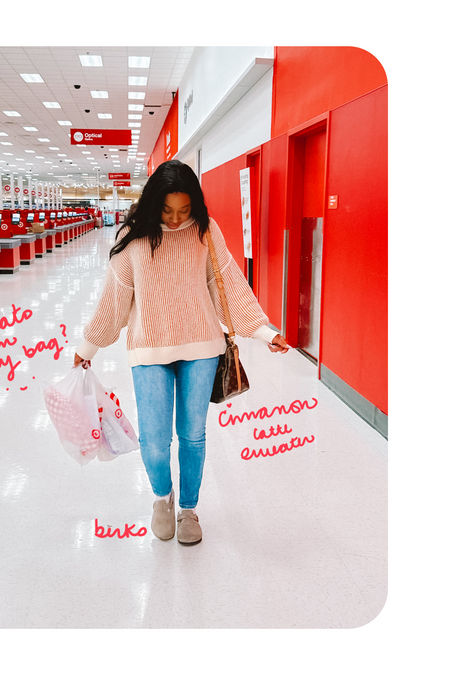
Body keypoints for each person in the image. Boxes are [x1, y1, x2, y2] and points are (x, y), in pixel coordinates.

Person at [74, 160, 288, 545]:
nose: (175, 220)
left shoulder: (206, 231)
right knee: (156, 441)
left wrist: (262, 331)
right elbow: (115, 299)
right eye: (168, 210)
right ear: (153, 202)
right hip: (149, 347)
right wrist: (87, 346)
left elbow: (228, 284)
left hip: (202, 347)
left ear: (196, 206)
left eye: (184, 211)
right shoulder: (133, 236)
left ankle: (189, 508)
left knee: (192, 436)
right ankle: (162, 498)